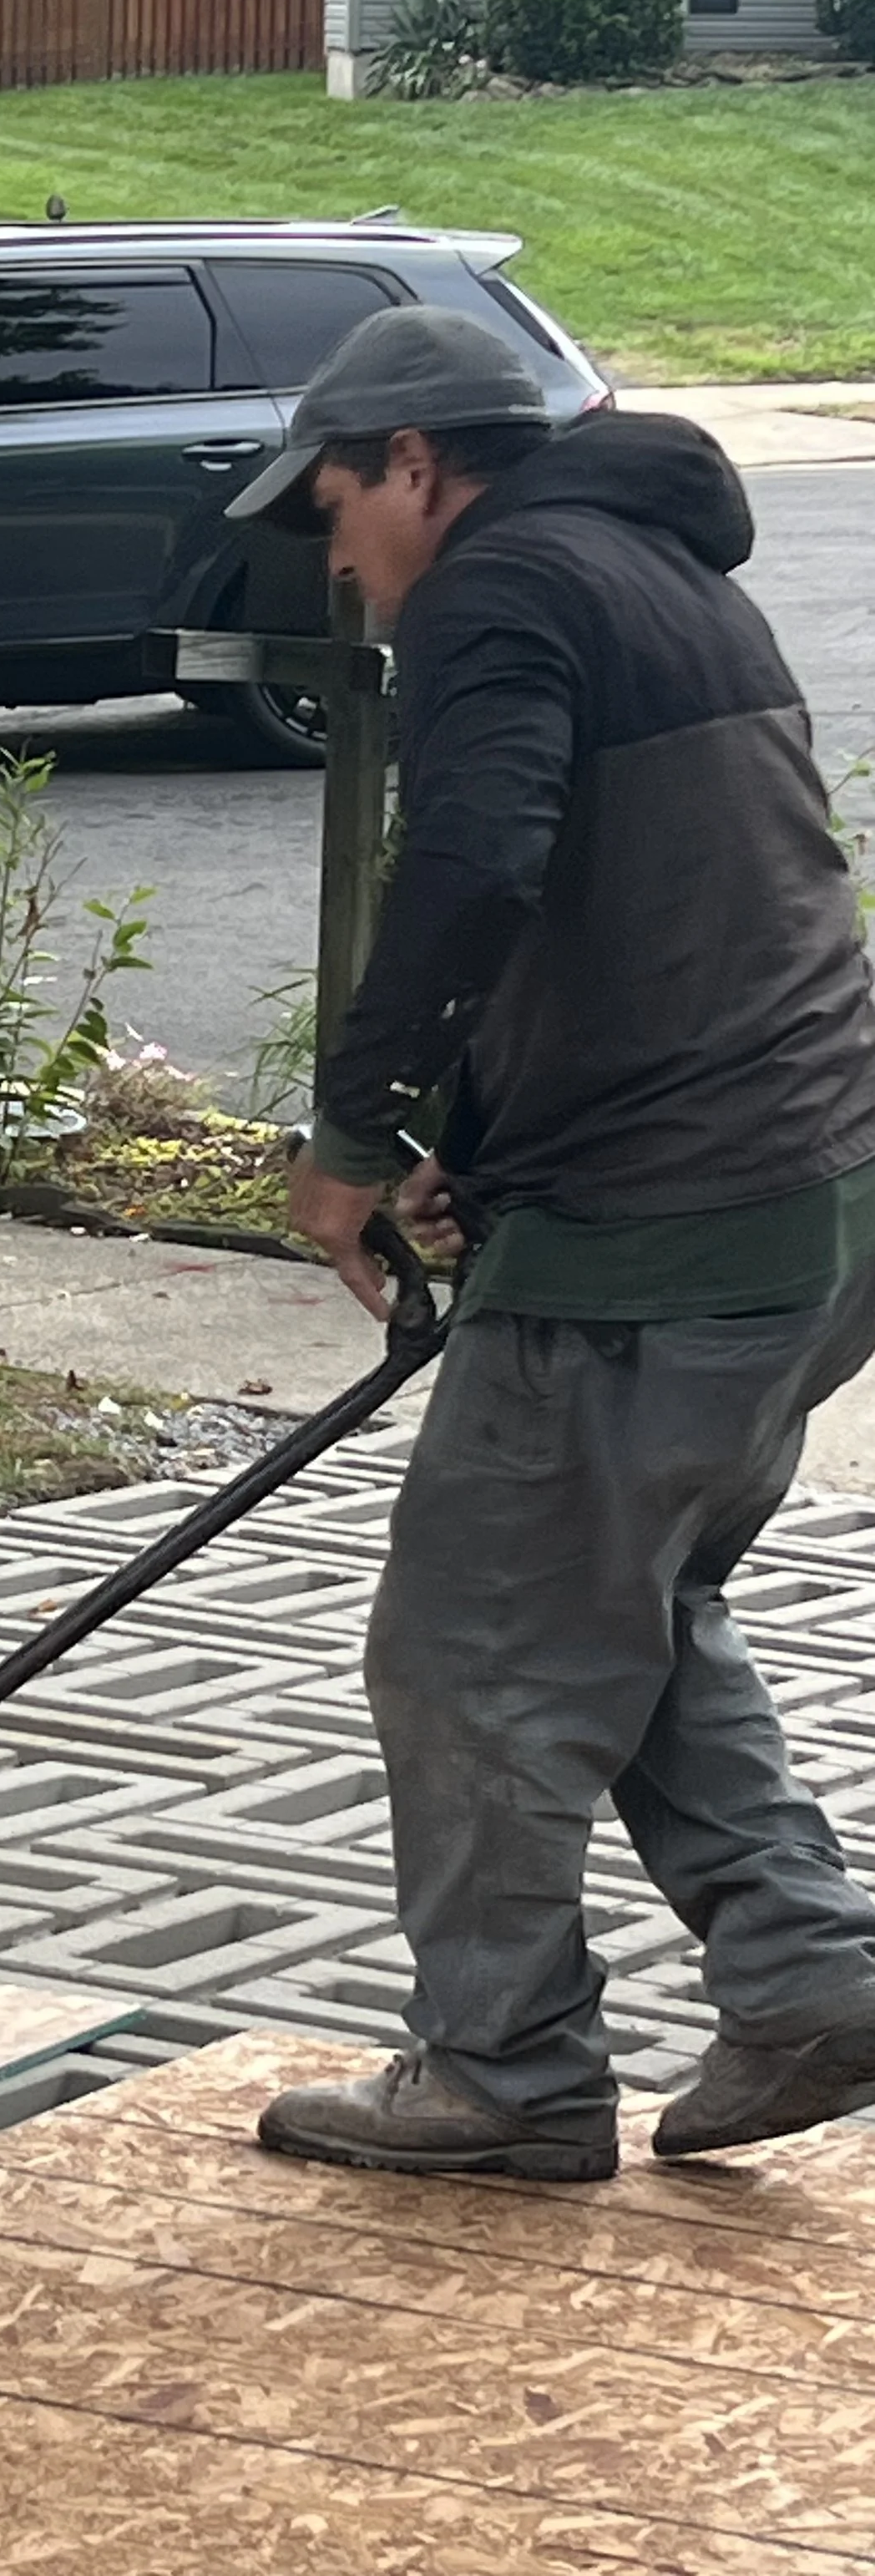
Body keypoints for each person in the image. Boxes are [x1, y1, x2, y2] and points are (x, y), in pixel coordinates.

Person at [222, 308, 875, 2178]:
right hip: (807, 1202)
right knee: (623, 1600)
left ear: (416, 463)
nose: (338, 557)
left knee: (465, 1650)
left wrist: (349, 1141)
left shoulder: (493, 592)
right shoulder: (659, 572)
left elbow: (478, 860)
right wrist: (479, 1144)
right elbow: (657, 911)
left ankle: (500, 2070)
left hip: (660, 1233)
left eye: (339, 506)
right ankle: (805, 1970)